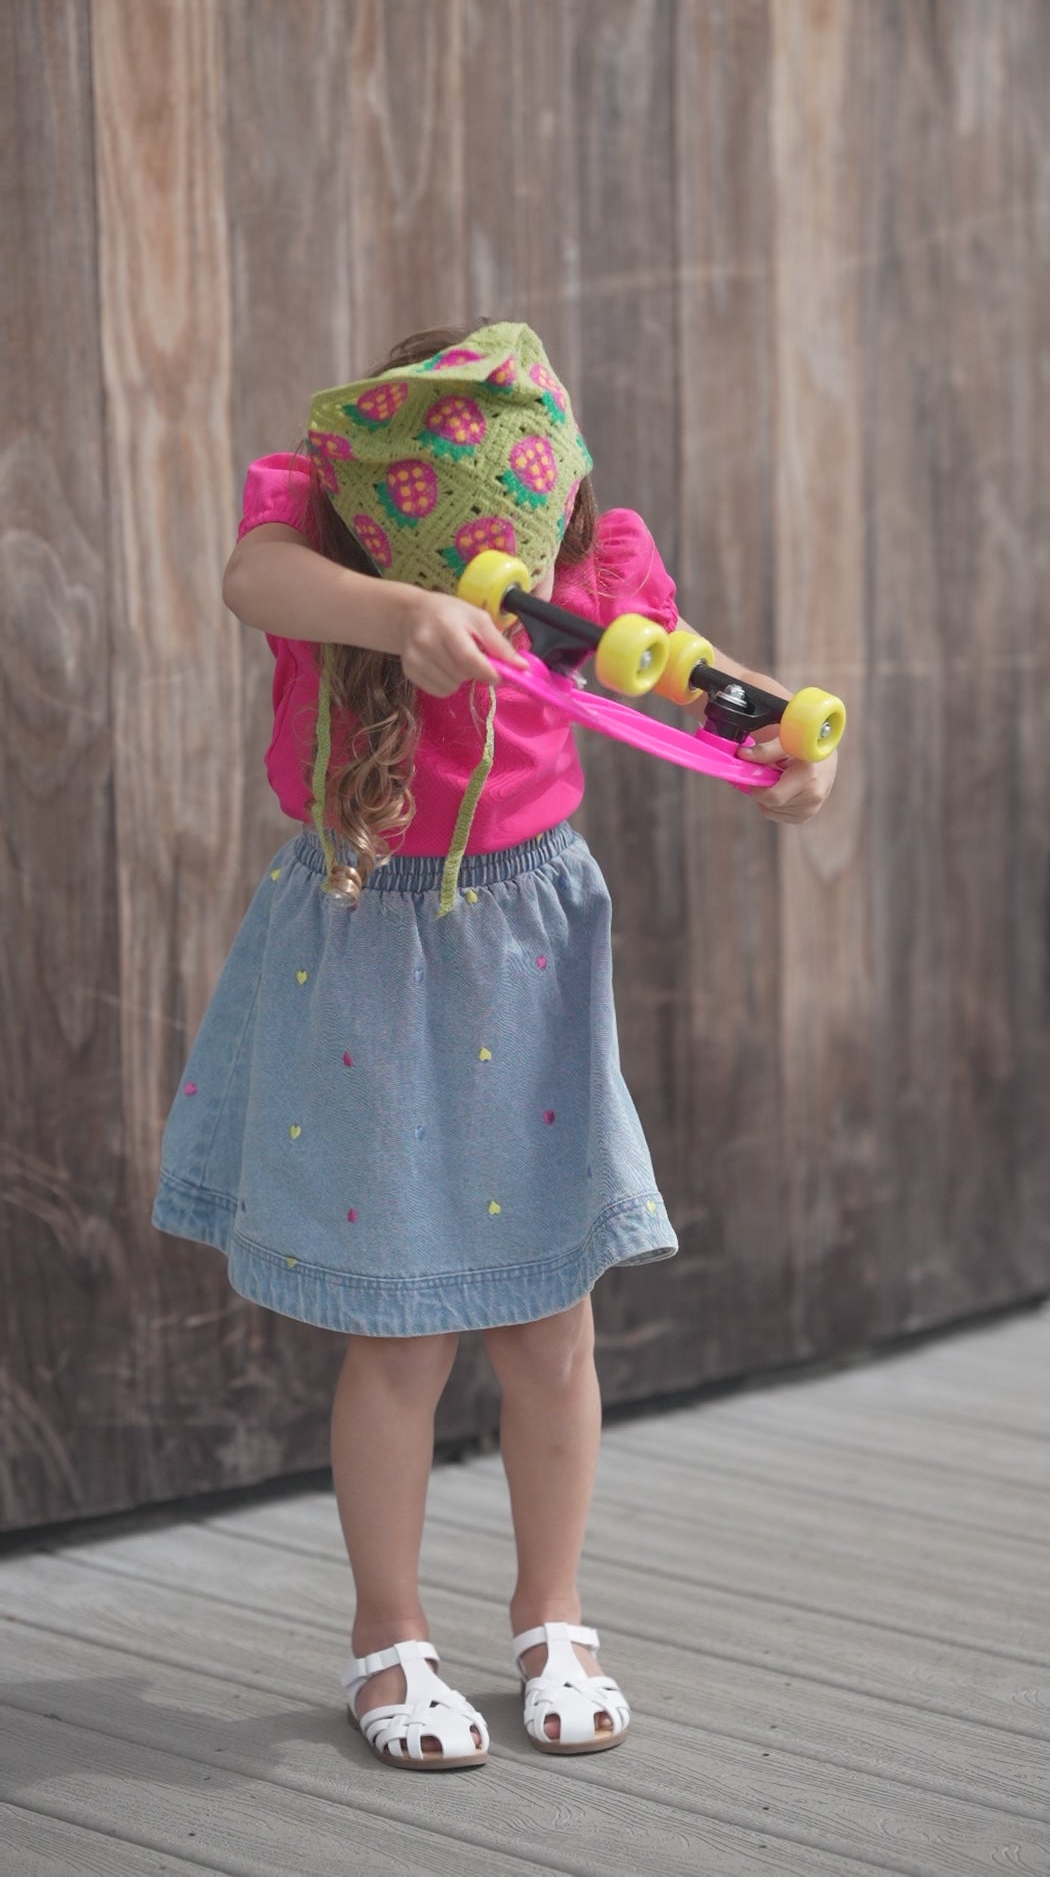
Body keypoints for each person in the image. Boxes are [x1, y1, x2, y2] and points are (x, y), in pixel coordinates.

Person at [152, 319, 837, 1772]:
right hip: (367, 944)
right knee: (402, 1332)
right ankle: (385, 1635)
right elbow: (251, 577)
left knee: (551, 1321)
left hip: (524, 950)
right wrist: (400, 616)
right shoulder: (320, 542)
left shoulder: (585, 571)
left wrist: (785, 744)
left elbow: (689, 674)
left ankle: (552, 1614)